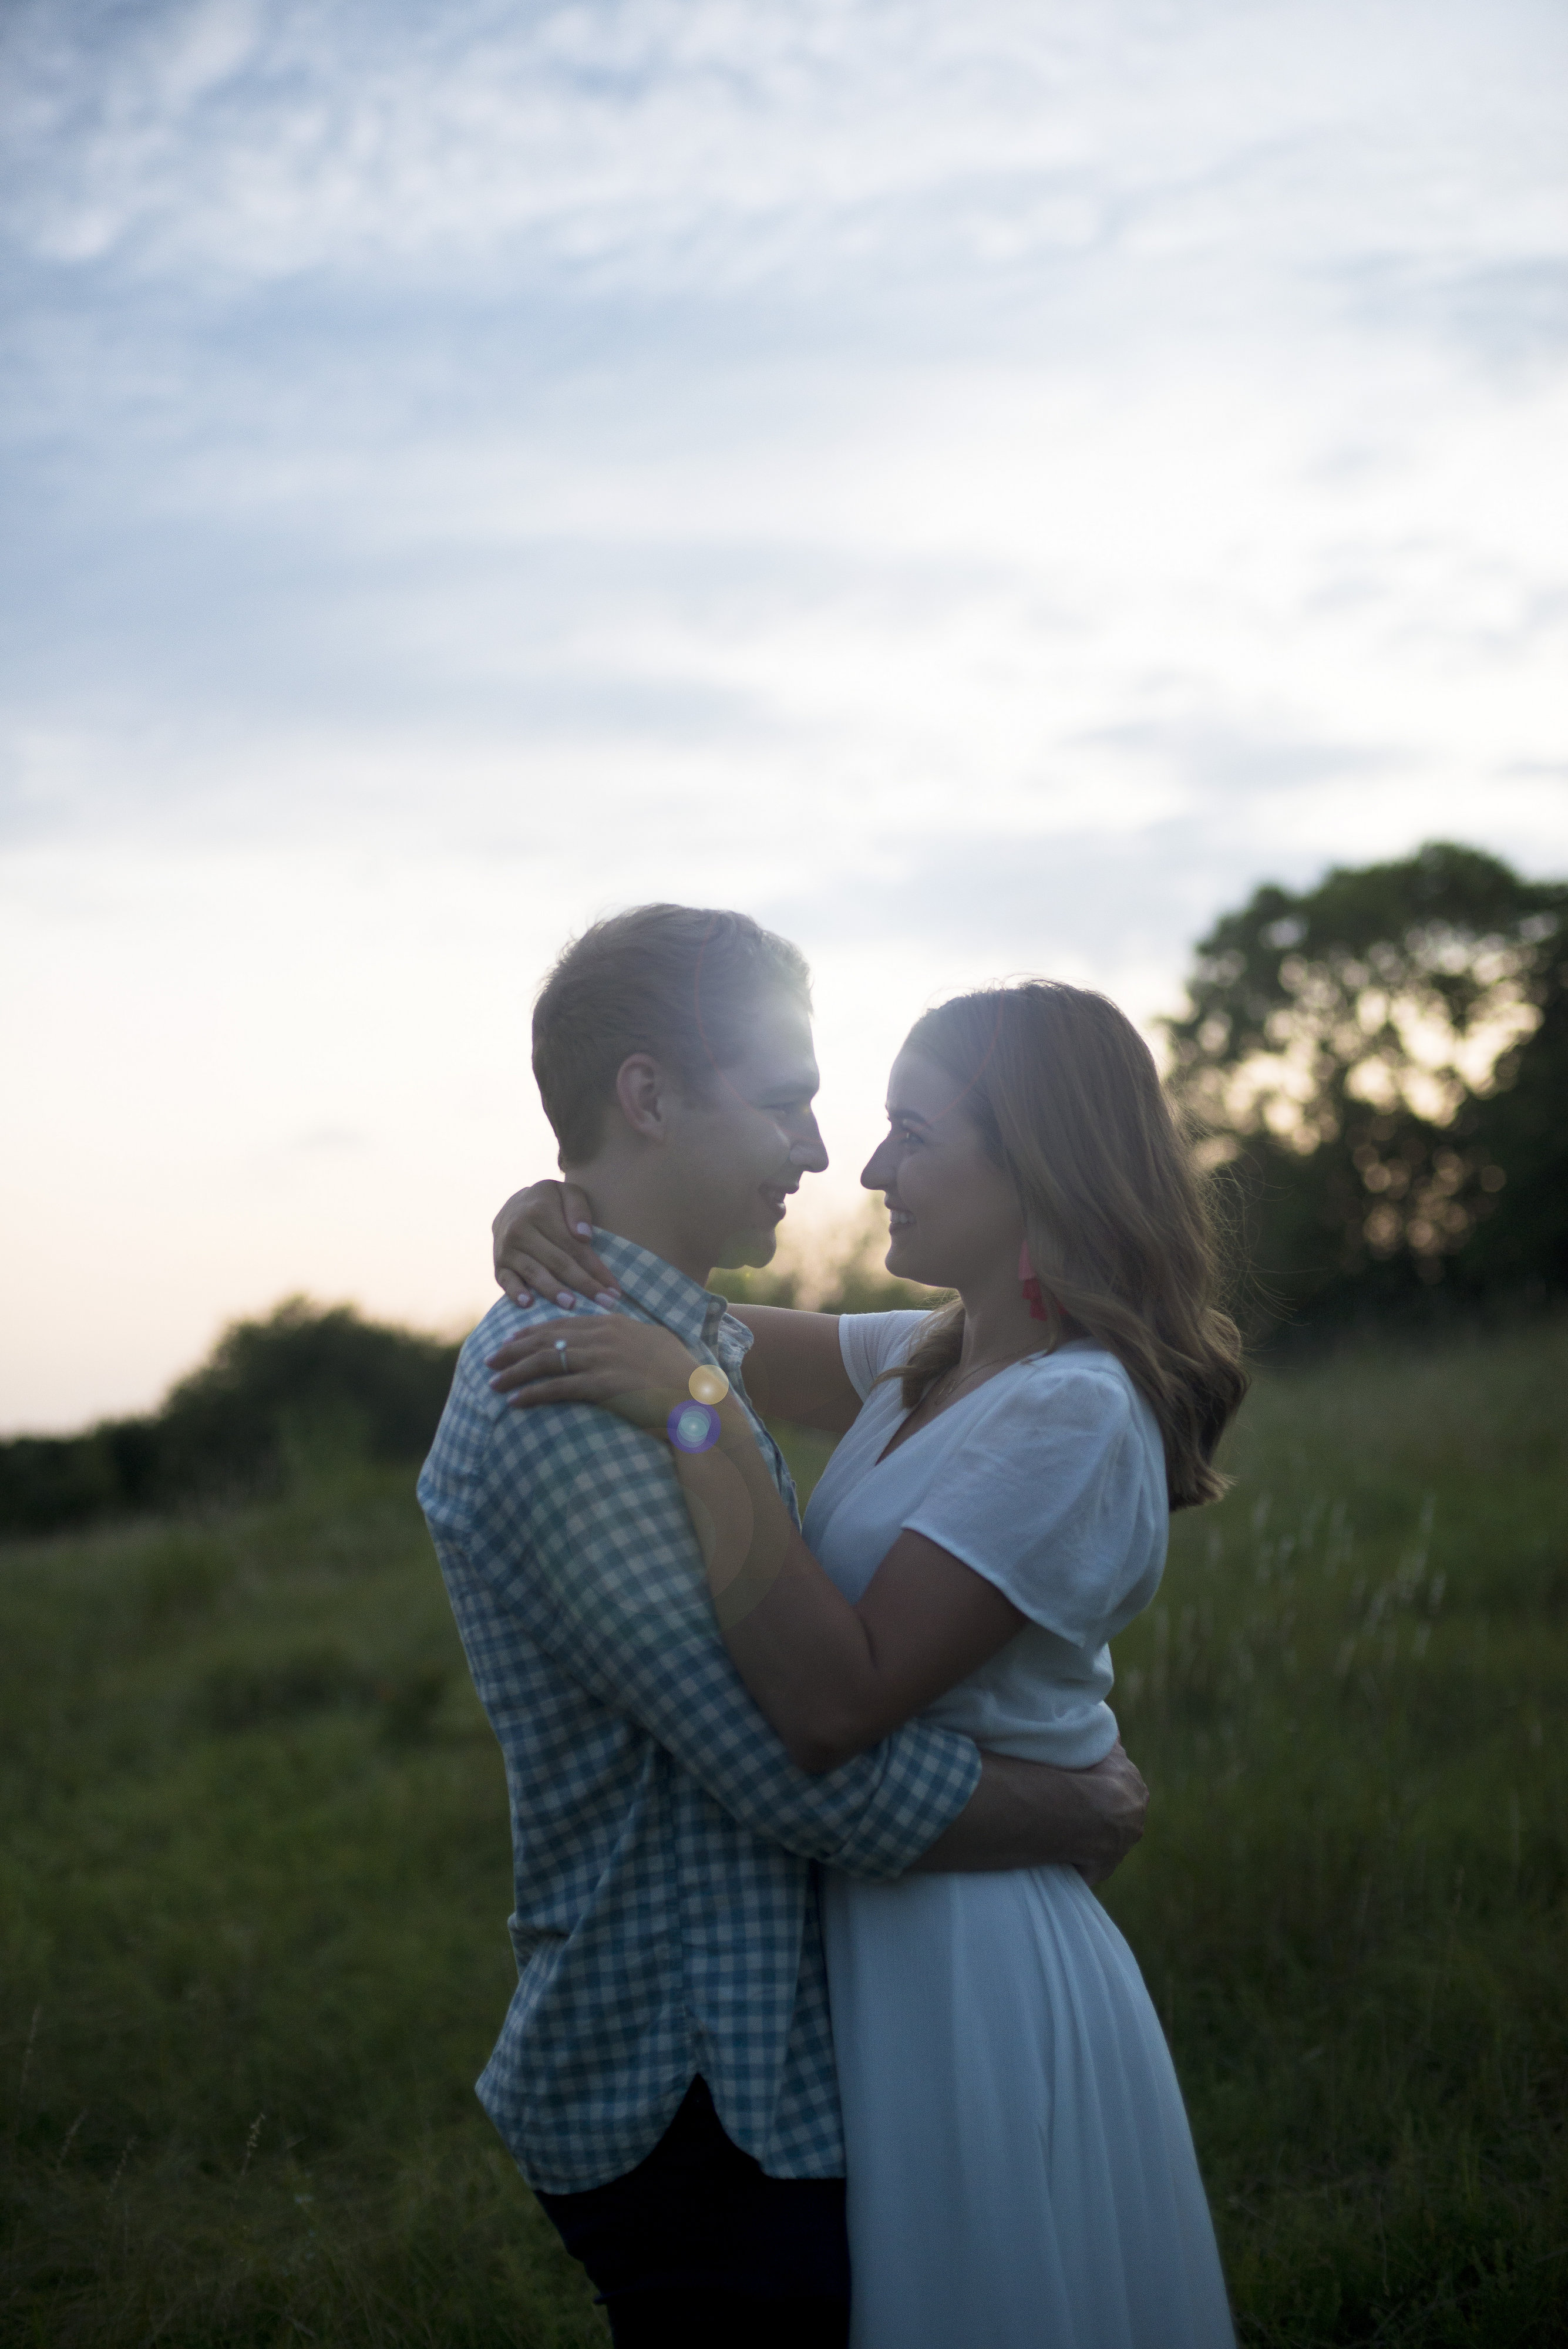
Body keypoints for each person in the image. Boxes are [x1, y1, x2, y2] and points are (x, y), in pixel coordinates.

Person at [419, 904, 1150, 2349]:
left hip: (819, 2040)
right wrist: (1076, 1803)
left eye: (893, 1125)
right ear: (647, 1096)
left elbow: (717, 1376)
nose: (832, 1158)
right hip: (693, 2075)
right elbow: (790, 1754)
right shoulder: (590, 1383)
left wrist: (604, 1260)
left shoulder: (685, 1354)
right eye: (790, 1104)